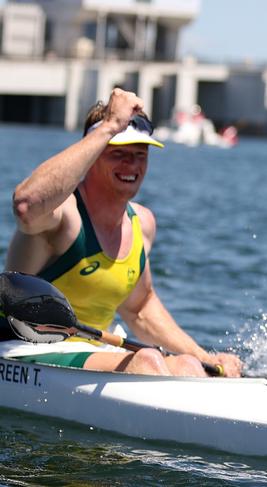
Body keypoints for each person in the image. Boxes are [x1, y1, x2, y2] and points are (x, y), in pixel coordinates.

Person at [3, 88, 242, 378]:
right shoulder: (63, 215)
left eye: (140, 155)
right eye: (118, 154)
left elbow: (140, 309)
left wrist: (205, 358)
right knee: (148, 363)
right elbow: (26, 205)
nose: (131, 165)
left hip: (95, 350)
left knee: (188, 367)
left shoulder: (143, 222)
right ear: (91, 155)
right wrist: (109, 126)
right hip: (24, 348)